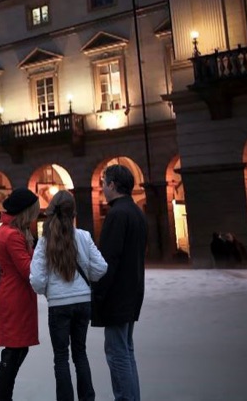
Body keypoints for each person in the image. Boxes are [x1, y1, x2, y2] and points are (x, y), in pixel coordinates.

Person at [30, 190, 108, 401]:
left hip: (58, 306)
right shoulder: (84, 237)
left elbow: (37, 280)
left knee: (61, 357)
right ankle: (87, 398)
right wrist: (86, 280)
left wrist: (49, 291)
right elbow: (101, 268)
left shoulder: (45, 242)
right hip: (83, 303)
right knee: (80, 354)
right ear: (73, 213)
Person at [93, 164, 147, 401]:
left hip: (117, 295)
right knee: (126, 350)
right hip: (133, 291)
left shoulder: (116, 214)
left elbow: (108, 261)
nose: (102, 188)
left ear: (112, 185)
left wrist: (98, 294)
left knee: (117, 353)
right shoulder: (136, 212)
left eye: (104, 183)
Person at [0, 187, 41, 401]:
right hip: (15, 297)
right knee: (14, 350)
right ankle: (3, 397)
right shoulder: (13, 235)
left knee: (17, 349)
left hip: (15, 294)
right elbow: (27, 270)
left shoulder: (8, 230)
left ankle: (4, 396)